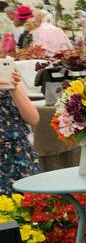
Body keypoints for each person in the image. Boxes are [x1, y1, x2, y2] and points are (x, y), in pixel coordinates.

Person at [0, 63, 40, 195]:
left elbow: (33, 119)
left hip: (19, 154)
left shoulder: (5, 74)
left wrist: (14, 88)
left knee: (28, 206)